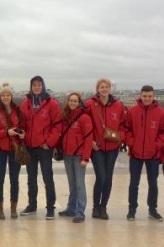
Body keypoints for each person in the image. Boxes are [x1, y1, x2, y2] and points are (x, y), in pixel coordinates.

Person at [125, 85, 164, 221]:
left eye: (150, 96)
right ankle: (132, 210)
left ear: (153, 96)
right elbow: (125, 129)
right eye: (144, 96)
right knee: (134, 183)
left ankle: (153, 209)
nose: (147, 98)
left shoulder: (161, 113)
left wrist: (156, 145)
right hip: (135, 153)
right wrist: (131, 143)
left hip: (153, 154)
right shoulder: (132, 111)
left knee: (153, 183)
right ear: (140, 96)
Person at [19, 76, 62, 220]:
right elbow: (21, 124)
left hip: (44, 148)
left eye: (39, 85)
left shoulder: (52, 104)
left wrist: (49, 143)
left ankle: (50, 207)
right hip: (30, 147)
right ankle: (32, 205)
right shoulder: (25, 104)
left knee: (47, 178)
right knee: (31, 179)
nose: (37, 87)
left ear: (43, 86)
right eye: (34, 85)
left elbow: (57, 126)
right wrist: (23, 138)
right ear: (31, 87)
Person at [84, 78, 125, 220]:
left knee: (108, 178)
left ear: (110, 88)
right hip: (97, 147)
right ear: (97, 89)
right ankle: (95, 206)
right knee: (101, 177)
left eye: (106, 87)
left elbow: (123, 125)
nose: (104, 89)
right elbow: (85, 124)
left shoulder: (118, 105)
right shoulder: (90, 104)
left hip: (113, 147)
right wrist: (90, 141)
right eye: (101, 87)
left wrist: (121, 138)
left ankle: (103, 207)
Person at [0, 82, 24, 220]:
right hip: (0, 150)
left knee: (15, 180)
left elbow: (22, 127)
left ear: (11, 96)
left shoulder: (18, 112)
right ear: (0, 97)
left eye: (8, 95)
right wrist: (6, 132)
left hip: (14, 149)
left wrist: (22, 134)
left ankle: (13, 208)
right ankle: (0, 209)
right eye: (3, 95)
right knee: (0, 179)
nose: (6, 97)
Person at [57, 93, 93, 223]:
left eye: (75, 101)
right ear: (68, 102)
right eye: (71, 100)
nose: (72, 103)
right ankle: (71, 208)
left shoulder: (84, 118)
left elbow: (89, 138)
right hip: (67, 155)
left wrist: (86, 158)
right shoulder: (65, 116)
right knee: (72, 185)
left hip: (78, 156)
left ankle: (80, 212)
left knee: (79, 185)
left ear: (79, 102)